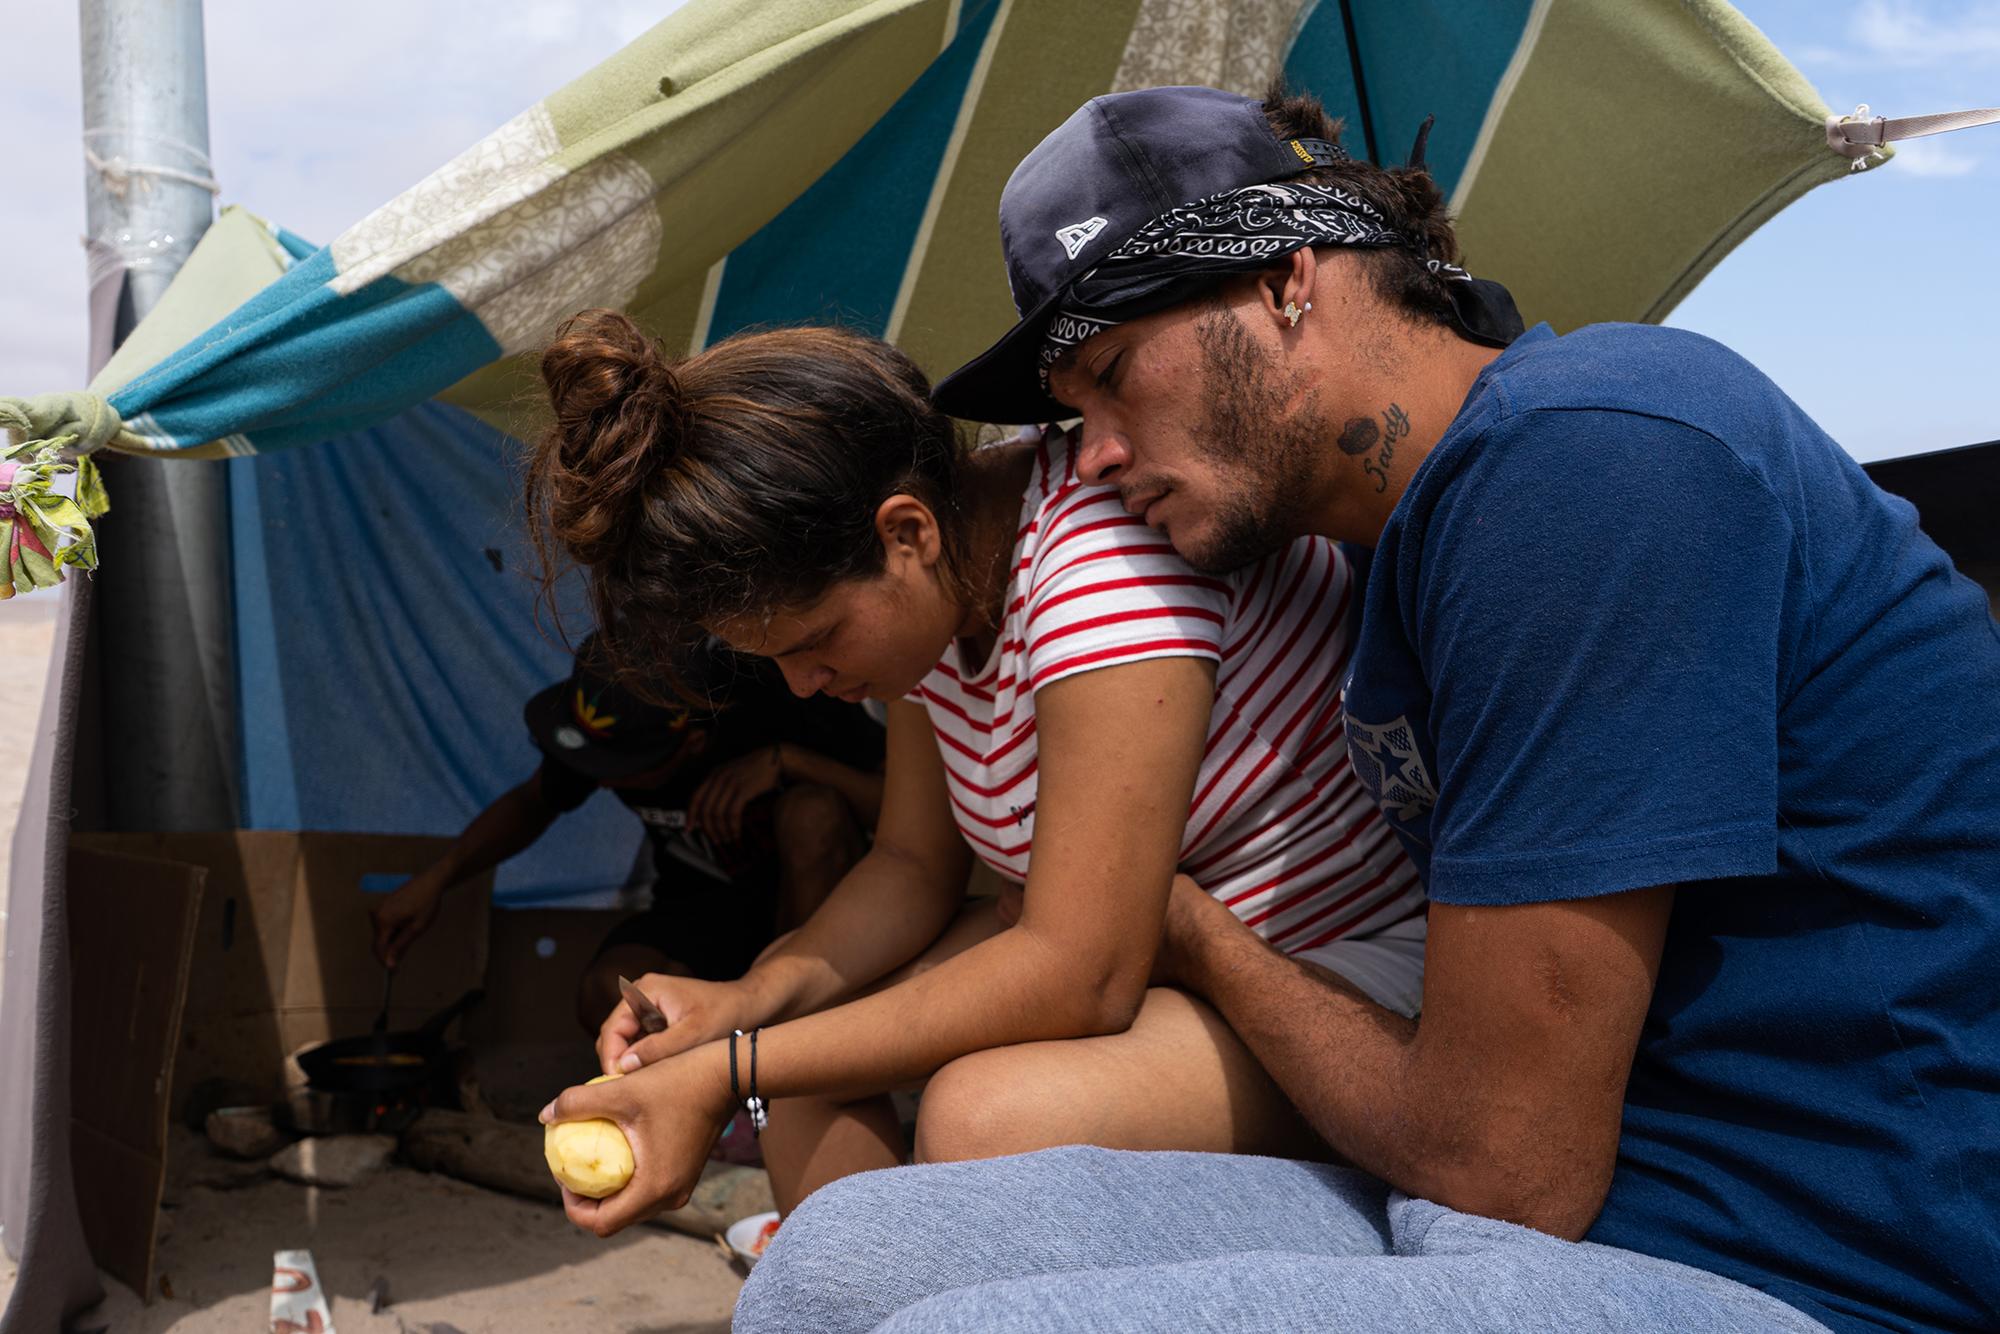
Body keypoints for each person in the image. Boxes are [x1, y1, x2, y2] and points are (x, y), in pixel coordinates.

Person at [732, 84, 2000, 1333]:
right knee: (836, 1263)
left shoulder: (1586, 461)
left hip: (1805, 1261)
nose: (1099, 451)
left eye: (1116, 375)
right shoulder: (1394, 562)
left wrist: (1200, 934)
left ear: (1288, 280)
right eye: (1075, 413)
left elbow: (1507, 1161)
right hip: (1526, 1204)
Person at [526, 306, 1427, 1219]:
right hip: (1162, 952)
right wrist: (745, 1003)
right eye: (778, 661)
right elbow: (912, 865)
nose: (802, 685)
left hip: (1334, 965)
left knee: (986, 1121)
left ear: (906, 532)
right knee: (796, 1053)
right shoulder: (941, 597)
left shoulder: (1097, 580)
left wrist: (727, 1073)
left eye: (818, 640)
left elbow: (1084, 973)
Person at [367, 632, 885, 1033]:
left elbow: (898, 807)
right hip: (701, 912)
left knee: (811, 812)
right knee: (605, 996)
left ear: (692, 745)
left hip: (809, 926)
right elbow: (532, 803)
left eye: (622, 768)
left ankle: (787, 1057)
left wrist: (789, 762)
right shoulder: (613, 723)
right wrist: (435, 880)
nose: (602, 777)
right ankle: (714, 1097)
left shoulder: (778, 694)